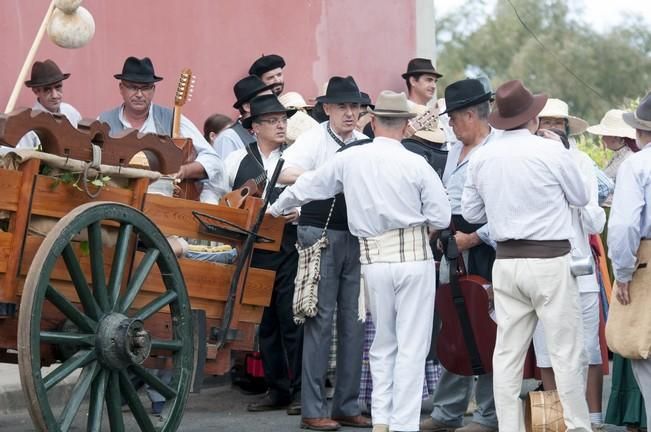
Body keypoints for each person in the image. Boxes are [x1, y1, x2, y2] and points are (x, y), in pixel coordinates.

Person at [269, 90, 451, 432]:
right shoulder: (417, 163)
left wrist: (275, 209)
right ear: (407, 125)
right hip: (413, 256)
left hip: (373, 258)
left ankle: (382, 420)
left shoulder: (351, 158)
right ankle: (403, 424)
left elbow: (308, 185)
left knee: (382, 342)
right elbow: (441, 216)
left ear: (373, 120)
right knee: (411, 345)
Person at [461, 80, 592, 431]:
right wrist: (561, 155)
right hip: (550, 260)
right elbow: (580, 197)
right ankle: (578, 426)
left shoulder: (482, 156)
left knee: (507, 354)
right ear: (533, 119)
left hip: (506, 261)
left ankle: (510, 427)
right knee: (566, 353)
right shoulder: (551, 153)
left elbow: (472, 213)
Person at [276, 75, 370, 431]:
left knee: (354, 321)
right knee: (319, 320)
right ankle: (314, 409)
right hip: (319, 234)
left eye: (354, 107)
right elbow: (281, 171)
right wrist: (325, 174)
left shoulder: (364, 142)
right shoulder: (314, 138)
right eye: (342, 106)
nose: (349, 113)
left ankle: (346, 405)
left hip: (356, 234)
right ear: (327, 108)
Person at [420, 78, 499, 432]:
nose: (450, 124)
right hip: (451, 240)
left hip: (484, 243)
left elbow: (504, 211)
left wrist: (475, 238)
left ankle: (487, 414)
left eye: (453, 117)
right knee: (454, 321)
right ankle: (447, 411)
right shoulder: (454, 150)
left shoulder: (497, 150)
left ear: (470, 114)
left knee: (488, 327)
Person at [222, 94, 303, 415]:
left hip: (290, 246)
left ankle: (299, 391)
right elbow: (222, 201)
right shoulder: (235, 161)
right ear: (254, 127)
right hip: (254, 248)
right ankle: (277, 388)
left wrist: (300, 211)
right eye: (272, 120)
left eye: (282, 119)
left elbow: (314, 191)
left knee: (291, 319)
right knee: (266, 323)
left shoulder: (297, 157)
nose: (280, 124)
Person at [530, 126, 607, 430]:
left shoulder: (579, 164)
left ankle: (590, 417)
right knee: (548, 348)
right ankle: (558, 419)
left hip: (570, 268)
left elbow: (593, 220)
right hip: (549, 266)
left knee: (583, 346)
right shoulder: (538, 170)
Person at [98, 56, 223, 201]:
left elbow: (214, 160)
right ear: (121, 88)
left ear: (153, 89)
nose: (139, 94)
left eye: (145, 88)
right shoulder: (104, 121)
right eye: (133, 87)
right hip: (115, 200)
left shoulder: (172, 119)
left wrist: (184, 170)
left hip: (164, 202)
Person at [607, 92, 651, 430]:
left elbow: (623, 227)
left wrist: (622, 274)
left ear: (639, 132)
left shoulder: (637, 166)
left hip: (646, 262)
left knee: (645, 354)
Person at [539, 98, 614, 205]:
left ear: (566, 128)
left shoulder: (579, 158)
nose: (553, 127)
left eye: (558, 123)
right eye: (547, 122)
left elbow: (604, 188)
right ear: (538, 126)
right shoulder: (530, 155)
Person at [16, 59, 82, 150]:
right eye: (47, 90)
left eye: (58, 87)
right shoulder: (29, 123)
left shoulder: (72, 114)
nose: (55, 95)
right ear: (36, 91)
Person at [213, 75, 274, 159]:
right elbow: (226, 171)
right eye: (264, 100)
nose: (272, 104)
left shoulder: (270, 132)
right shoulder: (228, 138)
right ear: (247, 107)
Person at [587, 109, 639, 205]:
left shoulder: (629, 159)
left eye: (605, 134)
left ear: (616, 137)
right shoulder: (619, 155)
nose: (602, 138)